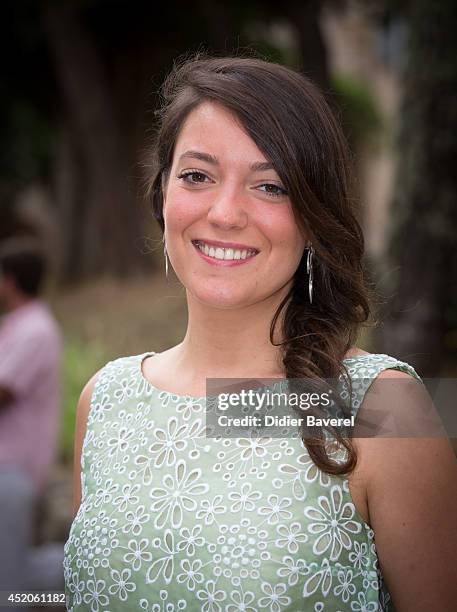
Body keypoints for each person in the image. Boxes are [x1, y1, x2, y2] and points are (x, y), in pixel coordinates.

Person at [63, 55, 457, 611]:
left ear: (314, 217)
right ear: (163, 196)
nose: (225, 213)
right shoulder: (105, 401)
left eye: (270, 186)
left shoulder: (382, 408)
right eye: (197, 176)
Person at [0, 238, 64, 602]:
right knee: (10, 573)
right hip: (8, 471)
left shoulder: (34, 330)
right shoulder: (18, 326)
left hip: (12, 472)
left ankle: (93, 574)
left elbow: (4, 390)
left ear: (9, 280)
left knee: (9, 583)